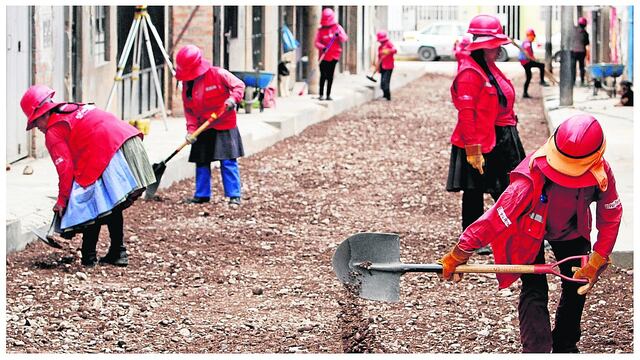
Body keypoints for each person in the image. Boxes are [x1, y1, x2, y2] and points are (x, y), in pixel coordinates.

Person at [439, 114, 623, 353]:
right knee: (534, 287)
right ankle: (536, 351)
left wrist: (598, 257)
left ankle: (565, 345)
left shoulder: (600, 172)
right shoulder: (531, 176)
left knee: (577, 284)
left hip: (571, 228)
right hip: (529, 229)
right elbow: (495, 218)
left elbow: (611, 214)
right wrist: (460, 252)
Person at [20, 85, 156, 267]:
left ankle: (89, 257)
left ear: (43, 114)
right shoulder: (72, 109)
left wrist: (62, 201)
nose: (38, 128)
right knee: (112, 204)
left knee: (93, 204)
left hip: (112, 151)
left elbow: (65, 170)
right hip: (128, 144)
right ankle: (118, 252)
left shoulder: (53, 130)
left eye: (36, 123)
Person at [447, 14, 526, 255]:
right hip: (481, 141)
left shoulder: (487, 66)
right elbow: (467, 113)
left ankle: (517, 233)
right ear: (483, 45)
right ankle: (473, 239)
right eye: (494, 46)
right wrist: (473, 149)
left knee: (510, 188)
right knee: (477, 191)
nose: (497, 50)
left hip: (500, 137)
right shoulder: (471, 72)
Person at [175, 44, 246, 206]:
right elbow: (189, 111)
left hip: (224, 123)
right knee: (202, 160)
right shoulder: (187, 85)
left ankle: (234, 195)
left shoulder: (218, 73)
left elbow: (239, 85)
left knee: (228, 160)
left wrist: (232, 99)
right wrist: (191, 131)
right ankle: (202, 195)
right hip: (203, 126)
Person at [314, 8, 348, 101]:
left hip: (334, 56)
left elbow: (344, 38)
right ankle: (321, 94)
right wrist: (323, 47)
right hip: (323, 56)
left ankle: (328, 94)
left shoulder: (337, 28)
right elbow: (316, 42)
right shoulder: (320, 30)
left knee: (330, 76)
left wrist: (339, 35)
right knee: (323, 75)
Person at [519, 28, 549, 98]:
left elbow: (530, 54)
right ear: (530, 36)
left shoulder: (527, 42)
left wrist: (534, 59)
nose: (533, 38)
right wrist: (533, 58)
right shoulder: (527, 43)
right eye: (533, 36)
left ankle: (525, 93)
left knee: (529, 77)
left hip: (526, 61)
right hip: (526, 62)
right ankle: (542, 81)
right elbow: (528, 52)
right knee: (541, 65)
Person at [376, 30, 397, 101]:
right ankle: (384, 95)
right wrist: (378, 66)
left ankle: (388, 97)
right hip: (382, 66)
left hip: (388, 66)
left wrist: (388, 51)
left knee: (386, 82)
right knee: (382, 82)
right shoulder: (380, 47)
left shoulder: (389, 44)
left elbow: (395, 50)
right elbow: (379, 57)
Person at [571, 17, 590, 87]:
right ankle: (582, 80)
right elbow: (587, 43)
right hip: (582, 51)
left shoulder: (573, 31)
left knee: (573, 67)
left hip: (573, 51)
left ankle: (572, 81)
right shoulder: (585, 33)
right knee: (581, 67)